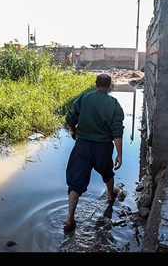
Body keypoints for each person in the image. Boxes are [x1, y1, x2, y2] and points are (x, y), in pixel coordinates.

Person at [63, 73, 125, 231]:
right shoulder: (114, 103)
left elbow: (71, 117)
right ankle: (111, 196)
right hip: (103, 147)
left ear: (96, 84)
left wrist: (73, 130)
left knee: (75, 183)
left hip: (82, 146)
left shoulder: (84, 98)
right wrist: (119, 154)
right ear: (109, 86)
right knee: (107, 173)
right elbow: (117, 130)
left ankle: (70, 218)